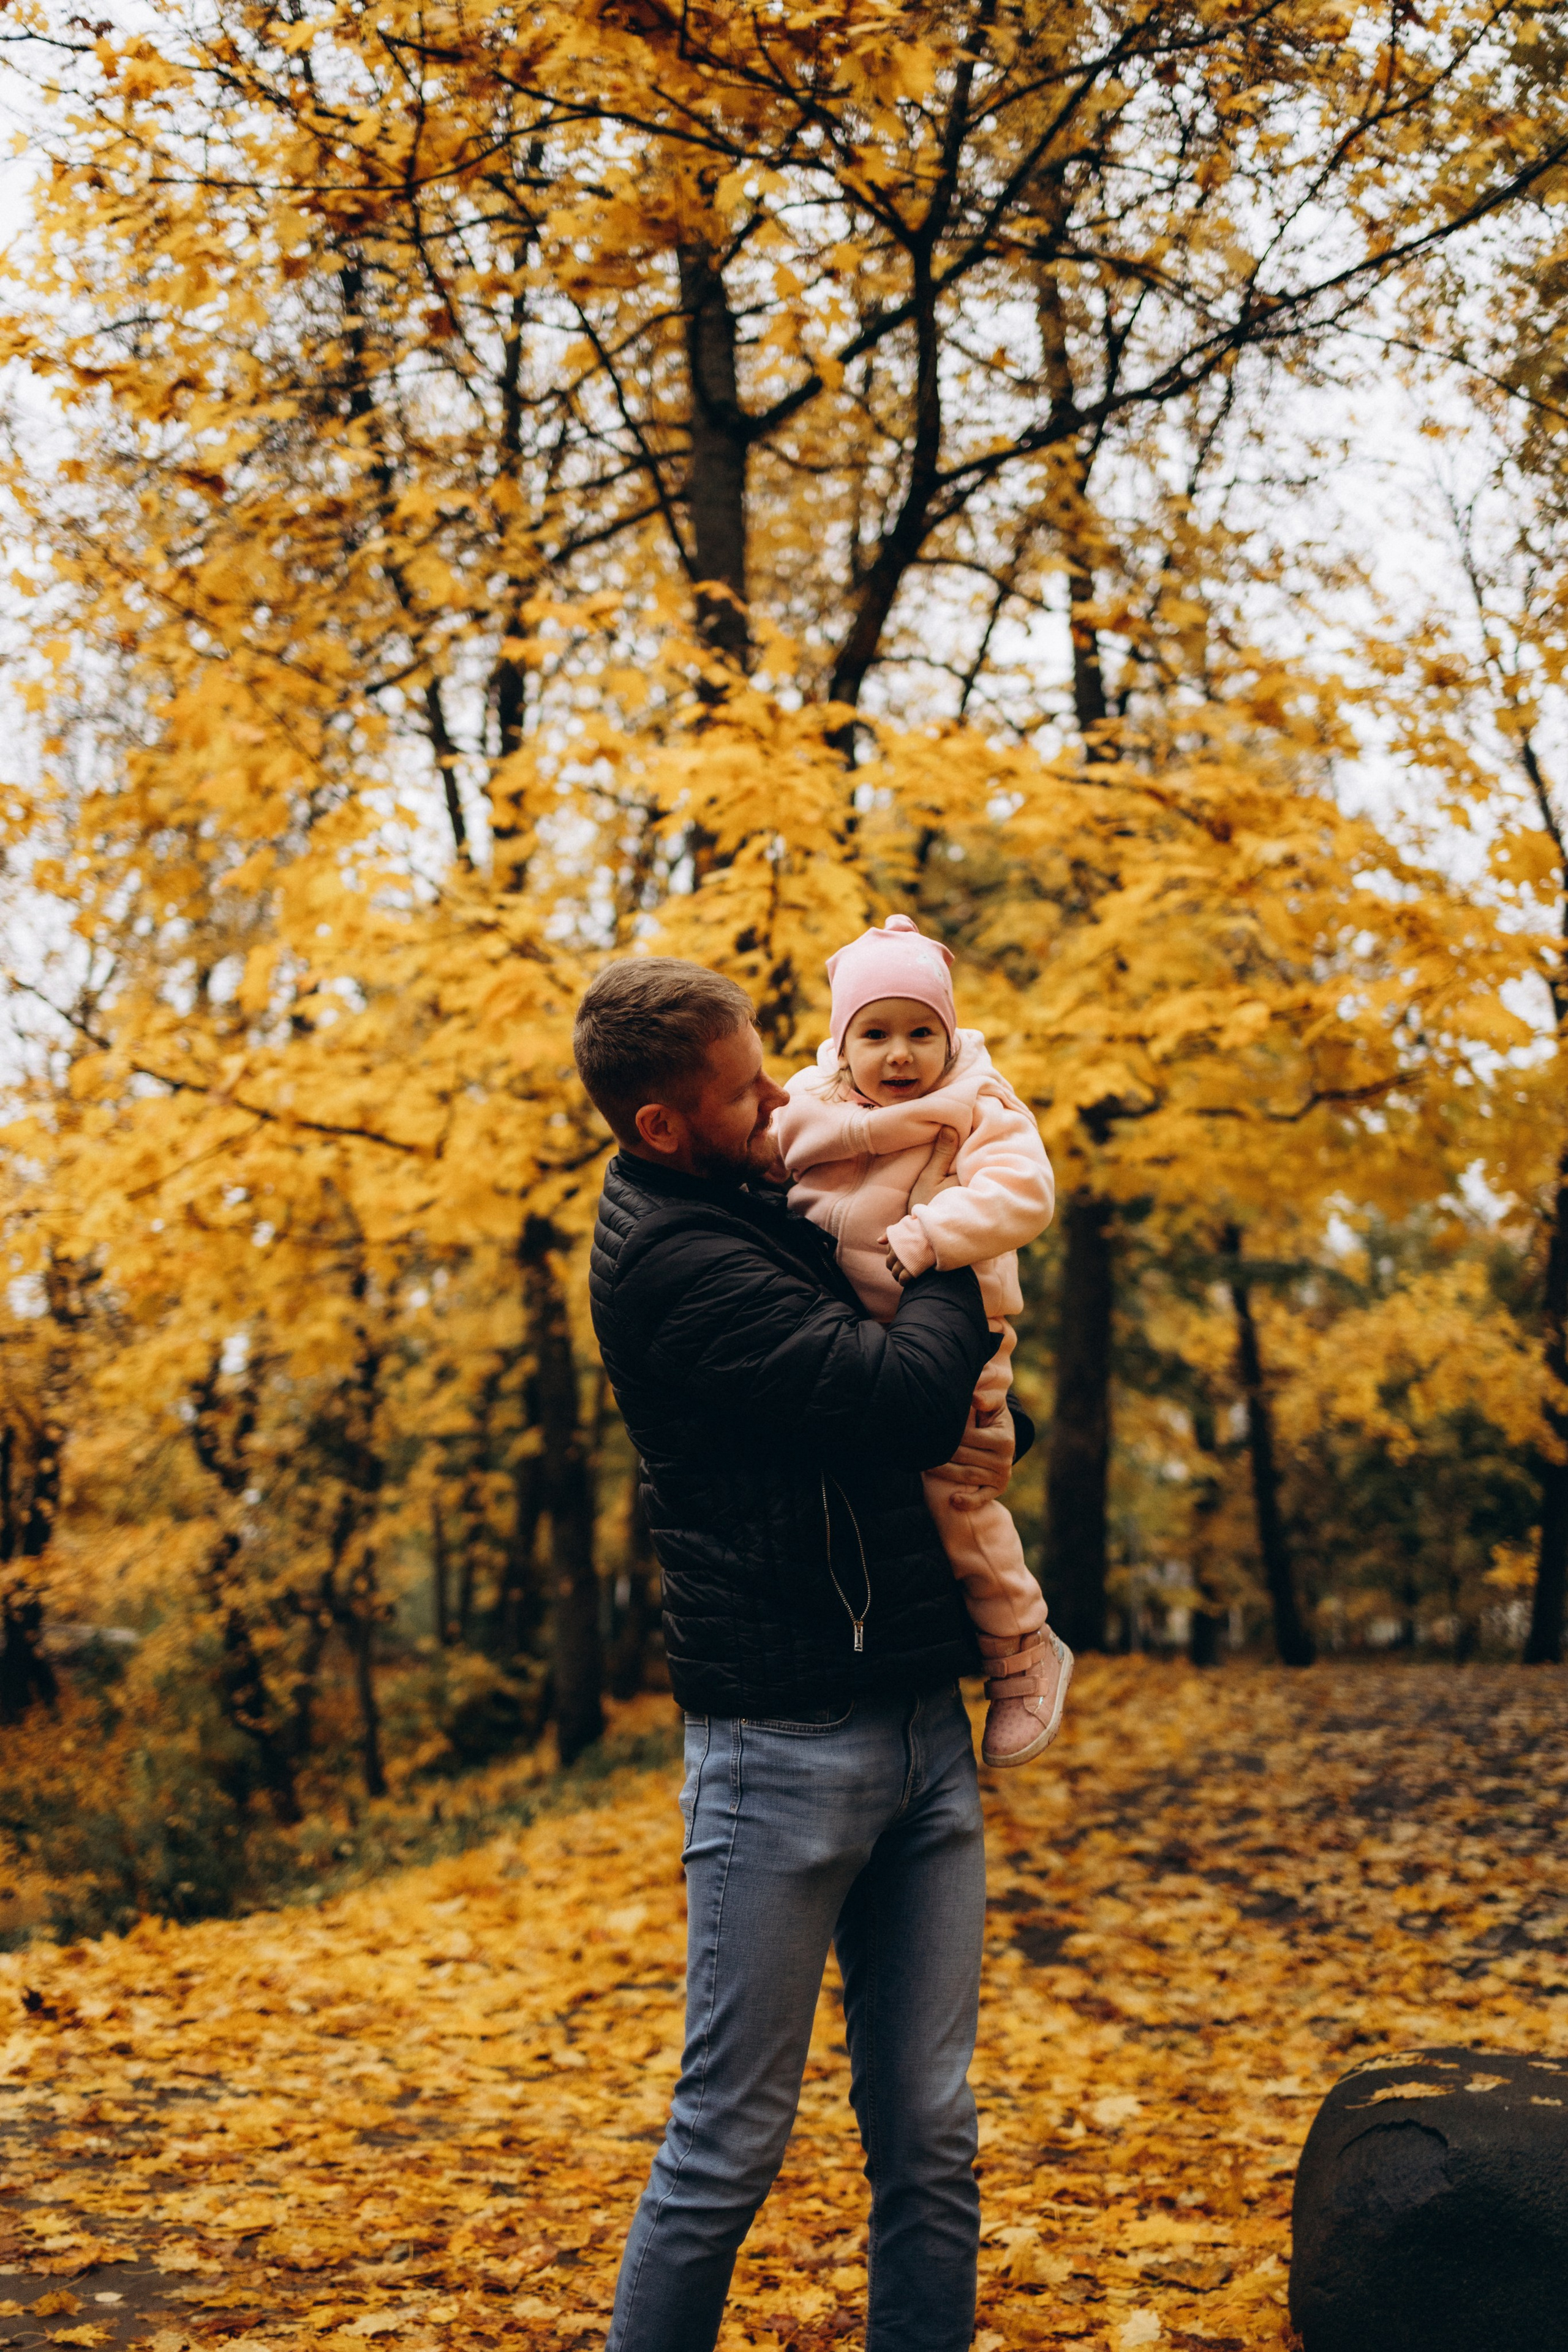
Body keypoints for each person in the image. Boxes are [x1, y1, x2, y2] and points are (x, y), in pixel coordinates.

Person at [575, 956, 1033, 2352]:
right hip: (779, 1749)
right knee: (725, 2146)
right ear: (664, 1125)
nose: (783, 1093)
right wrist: (952, 1227)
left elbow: (925, 1407)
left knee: (928, 2134)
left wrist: (922, 1233)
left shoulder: (751, 1197)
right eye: (745, 1085)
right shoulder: (676, 1258)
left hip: (913, 1720)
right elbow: (898, 1400)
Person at [772, 914, 1072, 1768]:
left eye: (920, 1033)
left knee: (958, 1491)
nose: (898, 1055)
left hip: (953, 1331)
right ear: (840, 1045)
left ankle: (1023, 1650)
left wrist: (935, 1232)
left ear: (949, 1036)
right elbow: (764, 1168)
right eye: (874, 1034)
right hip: (848, 1337)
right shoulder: (809, 1106)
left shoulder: (975, 1104)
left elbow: (1024, 1192)